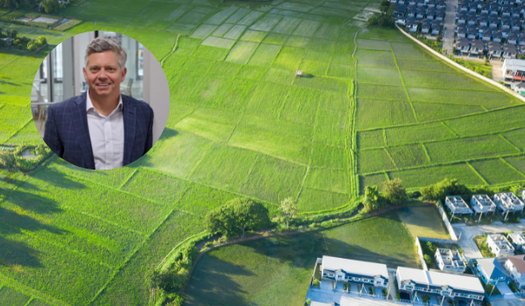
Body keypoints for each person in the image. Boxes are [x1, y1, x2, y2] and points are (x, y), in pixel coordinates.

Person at [43, 37, 154, 170]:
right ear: (85, 74)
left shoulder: (144, 113)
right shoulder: (58, 115)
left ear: (122, 74)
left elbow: (145, 168)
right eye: (95, 69)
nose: (102, 76)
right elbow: (50, 170)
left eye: (110, 69)